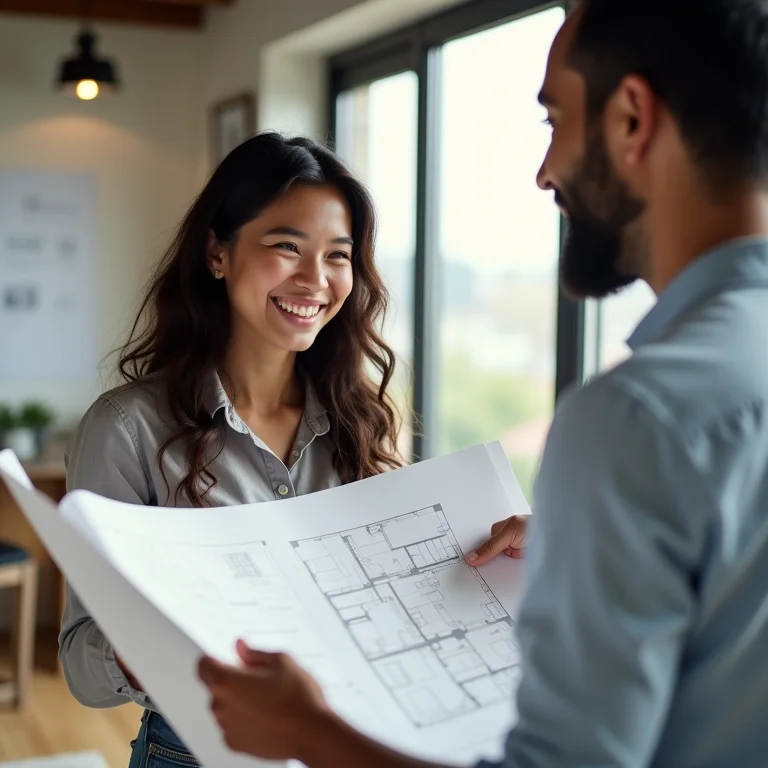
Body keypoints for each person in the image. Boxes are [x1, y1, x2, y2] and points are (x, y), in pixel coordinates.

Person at [198, 1, 768, 766]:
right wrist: (591, 547)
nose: (544, 172)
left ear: (632, 118)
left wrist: (308, 733)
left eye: (554, 121)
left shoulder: (636, 419)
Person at [59, 133, 533, 767]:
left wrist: (518, 550)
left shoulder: (366, 421)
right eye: (287, 246)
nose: (315, 279)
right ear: (217, 253)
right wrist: (157, 635)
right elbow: (81, 668)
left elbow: (406, 593)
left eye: (338, 255)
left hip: (351, 744)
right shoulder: (125, 429)